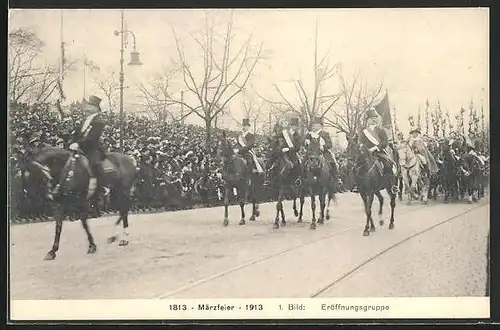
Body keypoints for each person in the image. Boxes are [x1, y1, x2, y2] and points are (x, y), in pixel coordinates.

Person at [50, 95, 107, 200]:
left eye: (90, 105)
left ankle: (101, 189)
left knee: (95, 166)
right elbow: (76, 133)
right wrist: (71, 142)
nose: (88, 107)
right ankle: (59, 186)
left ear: (96, 108)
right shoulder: (84, 120)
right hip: (79, 146)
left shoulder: (99, 121)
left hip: (92, 148)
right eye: (88, 105)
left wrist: (79, 144)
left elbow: (92, 137)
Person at [357, 108, 399, 193]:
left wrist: (376, 147)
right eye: (371, 119)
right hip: (367, 153)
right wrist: (363, 147)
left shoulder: (381, 130)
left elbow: (385, 142)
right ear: (367, 120)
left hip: (379, 152)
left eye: (375, 118)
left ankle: (392, 185)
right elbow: (361, 142)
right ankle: (357, 184)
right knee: (357, 164)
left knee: (388, 164)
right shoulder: (364, 132)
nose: (373, 120)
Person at [304, 116, 342, 186]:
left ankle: (336, 178)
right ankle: (302, 178)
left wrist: (323, 147)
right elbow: (305, 145)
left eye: (315, 125)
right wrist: (307, 144)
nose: (313, 127)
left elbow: (329, 144)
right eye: (313, 125)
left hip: (323, 152)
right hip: (311, 152)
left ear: (319, 126)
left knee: (332, 162)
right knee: (303, 162)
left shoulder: (325, 134)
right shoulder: (309, 134)